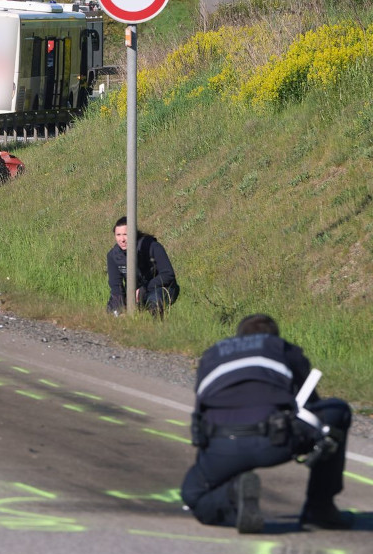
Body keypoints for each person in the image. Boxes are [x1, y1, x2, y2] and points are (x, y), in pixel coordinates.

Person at [181, 314, 353, 533]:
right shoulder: (281, 348)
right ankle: (320, 509)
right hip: (275, 439)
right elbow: (309, 403)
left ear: (238, 337)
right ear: (273, 336)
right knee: (338, 410)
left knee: (193, 496)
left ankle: (233, 495)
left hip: (221, 444)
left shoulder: (212, 355)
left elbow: (201, 412)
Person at [106, 216, 179, 316]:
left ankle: (157, 329)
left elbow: (168, 274)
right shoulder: (113, 255)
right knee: (114, 309)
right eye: (118, 235)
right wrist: (120, 307)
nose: (122, 239)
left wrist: (143, 290)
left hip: (159, 288)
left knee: (154, 301)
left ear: (134, 234)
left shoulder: (152, 247)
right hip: (133, 292)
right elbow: (116, 286)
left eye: (125, 234)